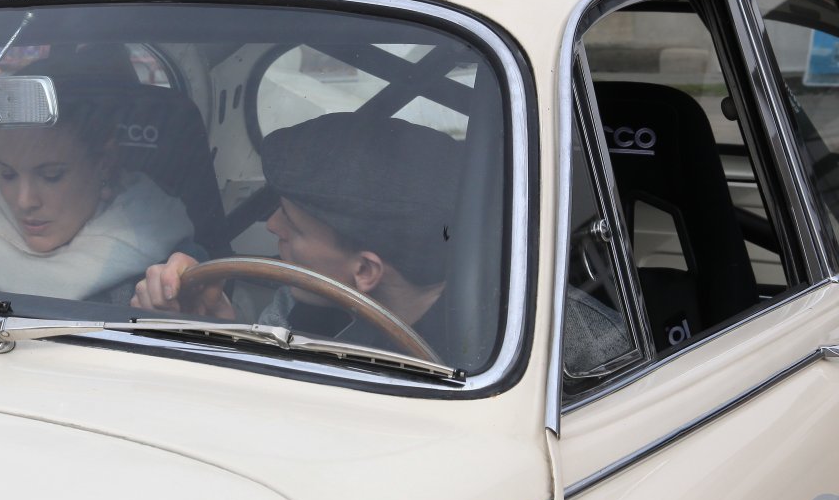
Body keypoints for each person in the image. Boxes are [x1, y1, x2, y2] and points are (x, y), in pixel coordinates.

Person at [133, 112, 632, 369]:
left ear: (366, 271)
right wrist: (218, 329)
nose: (271, 227)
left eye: (293, 225)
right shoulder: (302, 303)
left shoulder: (562, 341)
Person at [0, 46, 198, 302]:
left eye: (51, 176)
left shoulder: (171, 269)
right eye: (8, 174)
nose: (24, 201)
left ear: (104, 163)